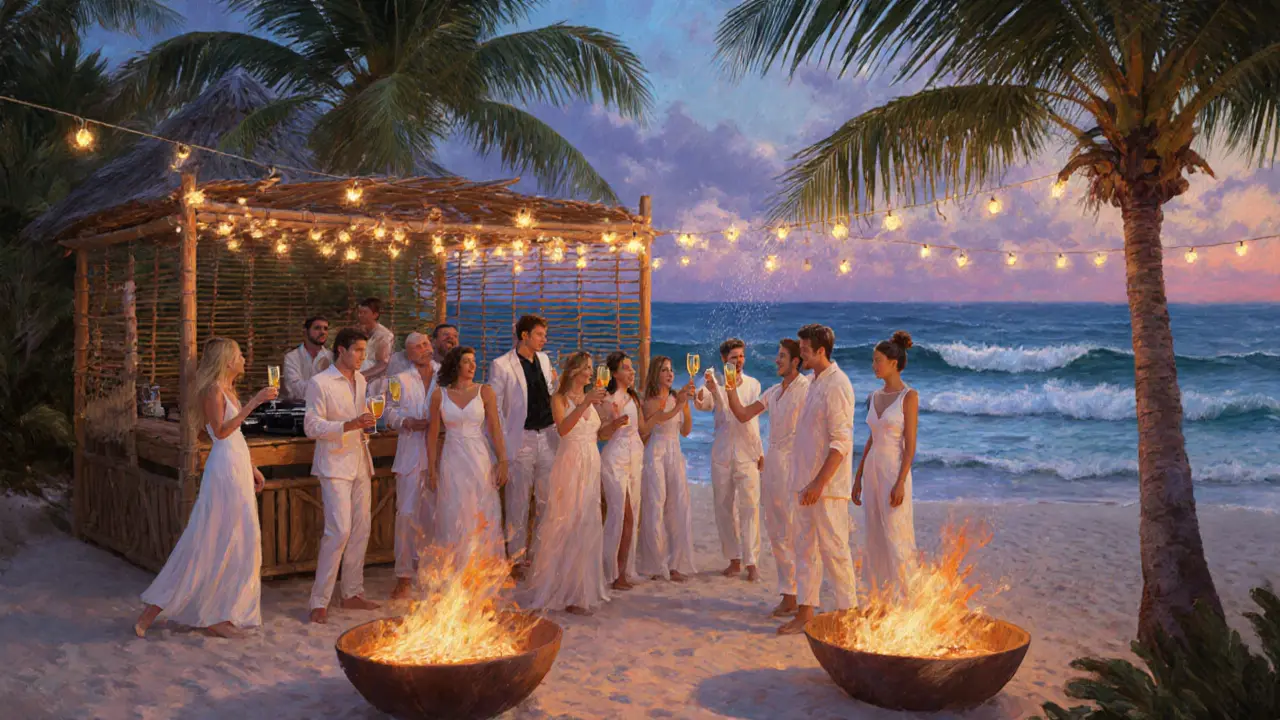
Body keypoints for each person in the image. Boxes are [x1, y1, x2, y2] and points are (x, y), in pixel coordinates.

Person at [134, 338, 275, 638]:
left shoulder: (228, 390)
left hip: (236, 465)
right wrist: (255, 402)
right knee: (208, 537)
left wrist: (251, 468)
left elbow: (234, 437)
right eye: (239, 355)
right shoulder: (213, 390)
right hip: (224, 471)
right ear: (226, 360)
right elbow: (221, 432)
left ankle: (220, 612)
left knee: (240, 539)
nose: (243, 359)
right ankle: (154, 611)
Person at [778, 324, 858, 636]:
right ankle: (806, 614)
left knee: (836, 551)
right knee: (804, 549)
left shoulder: (838, 384)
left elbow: (841, 443)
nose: (801, 355)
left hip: (826, 488)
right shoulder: (815, 381)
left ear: (821, 351)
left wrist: (818, 484)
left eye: (805, 351)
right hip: (805, 483)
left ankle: (848, 618)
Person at [721, 338, 810, 617]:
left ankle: (805, 598)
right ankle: (789, 594)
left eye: (782, 356)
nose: (776, 360)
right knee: (777, 531)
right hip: (773, 465)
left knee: (797, 531)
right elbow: (742, 414)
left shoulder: (806, 389)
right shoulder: (774, 391)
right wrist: (730, 387)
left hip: (795, 466)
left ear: (796, 361)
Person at [524, 352, 611, 615]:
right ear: (573, 371)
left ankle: (580, 590)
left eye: (591, 369)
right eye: (586, 369)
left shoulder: (593, 399)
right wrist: (585, 404)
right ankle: (560, 589)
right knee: (566, 520)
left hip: (591, 461)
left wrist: (614, 423)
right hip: (570, 462)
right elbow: (563, 430)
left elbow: (597, 434)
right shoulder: (560, 399)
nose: (590, 373)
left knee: (587, 521)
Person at [304, 328, 379, 624]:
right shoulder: (319, 383)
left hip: (360, 459)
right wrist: (348, 425)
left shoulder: (361, 380)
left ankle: (351, 593)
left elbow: (360, 418)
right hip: (334, 463)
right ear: (341, 350)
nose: (363, 356)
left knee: (362, 528)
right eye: (358, 350)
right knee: (339, 531)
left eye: (364, 350)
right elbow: (311, 426)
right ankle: (319, 601)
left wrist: (367, 423)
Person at [489, 315, 557, 574]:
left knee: (545, 501)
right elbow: (495, 409)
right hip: (522, 438)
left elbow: (548, 395)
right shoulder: (501, 366)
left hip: (547, 437)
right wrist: (502, 450)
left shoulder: (544, 359)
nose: (544, 339)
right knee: (517, 503)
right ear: (525, 335)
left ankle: (538, 555)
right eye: (540, 334)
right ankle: (515, 560)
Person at [426, 346, 508, 562]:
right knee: (454, 512)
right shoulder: (439, 395)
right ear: (456, 365)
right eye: (467, 361)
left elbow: (495, 429)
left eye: (474, 361)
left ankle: (482, 569)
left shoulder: (485, 391)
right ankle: (455, 570)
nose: (473, 366)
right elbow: (432, 435)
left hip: (479, 456)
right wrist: (432, 469)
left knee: (481, 510)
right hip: (452, 457)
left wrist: (503, 460)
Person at [854, 331, 919, 599]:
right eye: (873, 360)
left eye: (878, 360)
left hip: (894, 470)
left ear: (894, 362)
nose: (873, 365)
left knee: (897, 534)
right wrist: (857, 477)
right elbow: (871, 438)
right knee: (875, 534)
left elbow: (910, 445)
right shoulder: (874, 395)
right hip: (872, 471)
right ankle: (881, 599)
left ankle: (908, 599)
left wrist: (901, 481)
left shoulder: (909, 396)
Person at [694, 338, 764, 582]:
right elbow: (703, 404)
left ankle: (752, 561)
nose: (739, 361)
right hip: (722, 452)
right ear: (724, 360)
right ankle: (734, 559)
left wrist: (760, 451)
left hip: (747, 453)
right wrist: (706, 390)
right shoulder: (715, 384)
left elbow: (747, 418)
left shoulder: (754, 384)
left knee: (750, 507)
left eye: (742, 356)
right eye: (734, 357)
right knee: (723, 508)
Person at [384, 332, 437, 600]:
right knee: (406, 515)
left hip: (441, 454)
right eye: (417, 347)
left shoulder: (445, 376)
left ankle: (433, 572)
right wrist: (405, 422)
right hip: (410, 454)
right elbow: (388, 411)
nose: (424, 349)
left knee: (436, 515)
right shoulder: (399, 379)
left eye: (427, 344)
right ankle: (403, 576)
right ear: (409, 354)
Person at [636, 356, 697, 582]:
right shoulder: (651, 400)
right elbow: (660, 419)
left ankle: (676, 564)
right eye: (664, 370)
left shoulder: (676, 397)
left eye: (671, 370)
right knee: (655, 506)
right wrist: (679, 404)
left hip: (675, 453)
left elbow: (686, 431)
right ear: (656, 374)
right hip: (656, 454)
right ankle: (656, 565)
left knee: (679, 507)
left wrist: (685, 405)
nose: (670, 374)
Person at [599, 351, 643, 590]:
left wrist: (676, 406)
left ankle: (622, 571)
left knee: (631, 516)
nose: (632, 371)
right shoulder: (607, 400)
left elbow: (643, 427)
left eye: (632, 367)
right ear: (615, 373)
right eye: (626, 367)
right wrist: (613, 424)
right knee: (620, 515)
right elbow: (599, 434)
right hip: (615, 458)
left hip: (634, 457)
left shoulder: (634, 398)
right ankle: (611, 572)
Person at [282, 316, 333, 401]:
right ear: (305, 332)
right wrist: (324, 385)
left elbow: (336, 390)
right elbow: (295, 390)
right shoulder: (292, 357)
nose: (323, 332)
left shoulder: (332, 357)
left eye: (325, 329)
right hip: (299, 409)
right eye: (317, 328)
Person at [357, 297, 395, 390]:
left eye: (364, 313)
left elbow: (383, 363)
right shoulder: (357, 331)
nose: (360, 315)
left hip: (375, 383)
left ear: (375, 315)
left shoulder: (384, 335)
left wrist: (361, 375)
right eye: (359, 312)